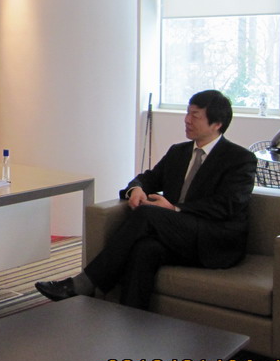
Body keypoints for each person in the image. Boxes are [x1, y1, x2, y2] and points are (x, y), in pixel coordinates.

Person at [35, 89, 256, 309]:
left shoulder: (239, 158)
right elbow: (147, 178)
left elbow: (228, 205)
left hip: (214, 238)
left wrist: (175, 209)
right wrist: (136, 189)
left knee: (148, 214)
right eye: (187, 113)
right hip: (180, 235)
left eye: (195, 115)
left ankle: (83, 283)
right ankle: (130, 319)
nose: (187, 120)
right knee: (145, 249)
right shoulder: (178, 152)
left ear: (216, 124)